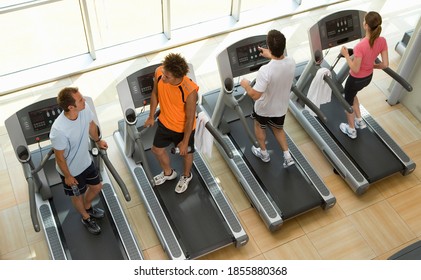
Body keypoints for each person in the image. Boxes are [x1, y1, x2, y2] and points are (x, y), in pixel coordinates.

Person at [49, 87, 108, 235]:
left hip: (86, 162)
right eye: (80, 100)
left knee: (97, 187)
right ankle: (86, 217)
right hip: (71, 171)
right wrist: (68, 176)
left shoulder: (84, 109)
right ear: (71, 107)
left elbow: (91, 125)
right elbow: (59, 157)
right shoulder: (59, 130)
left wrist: (98, 140)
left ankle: (88, 206)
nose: (85, 101)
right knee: (77, 196)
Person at [240, 29, 295, 168]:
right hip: (281, 107)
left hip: (264, 108)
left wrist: (246, 85)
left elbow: (255, 95)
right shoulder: (291, 61)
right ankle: (287, 156)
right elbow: (279, 63)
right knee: (278, 129)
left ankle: (263, 153)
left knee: (259, 126)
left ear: (269, 47)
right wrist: (271, 55)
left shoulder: (265, 70)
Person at [144, 53, 199, 193]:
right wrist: (151, 116)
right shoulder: (159, 72)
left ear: (178, 77)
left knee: (186, 154)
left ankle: (186, 176)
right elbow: (155, 93)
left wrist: (185, 141)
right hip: (165, 122)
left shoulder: (189, 90)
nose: (163, 76)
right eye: (164, 73)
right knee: (156, 150)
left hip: (182, 128)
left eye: (167, 76)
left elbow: (190, 118)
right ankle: (168, 173)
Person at [339, 11, 389, 139]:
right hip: (368, 78)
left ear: (366, 25)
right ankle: (359, 121)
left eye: (364, 21)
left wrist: (346, 56)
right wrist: (371, 66)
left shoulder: (360, 46)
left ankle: (351, 130)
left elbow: (355, 69)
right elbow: (385, 65)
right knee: (353, 94)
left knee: (348, 102)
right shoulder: (382, 41)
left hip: (355, 79)